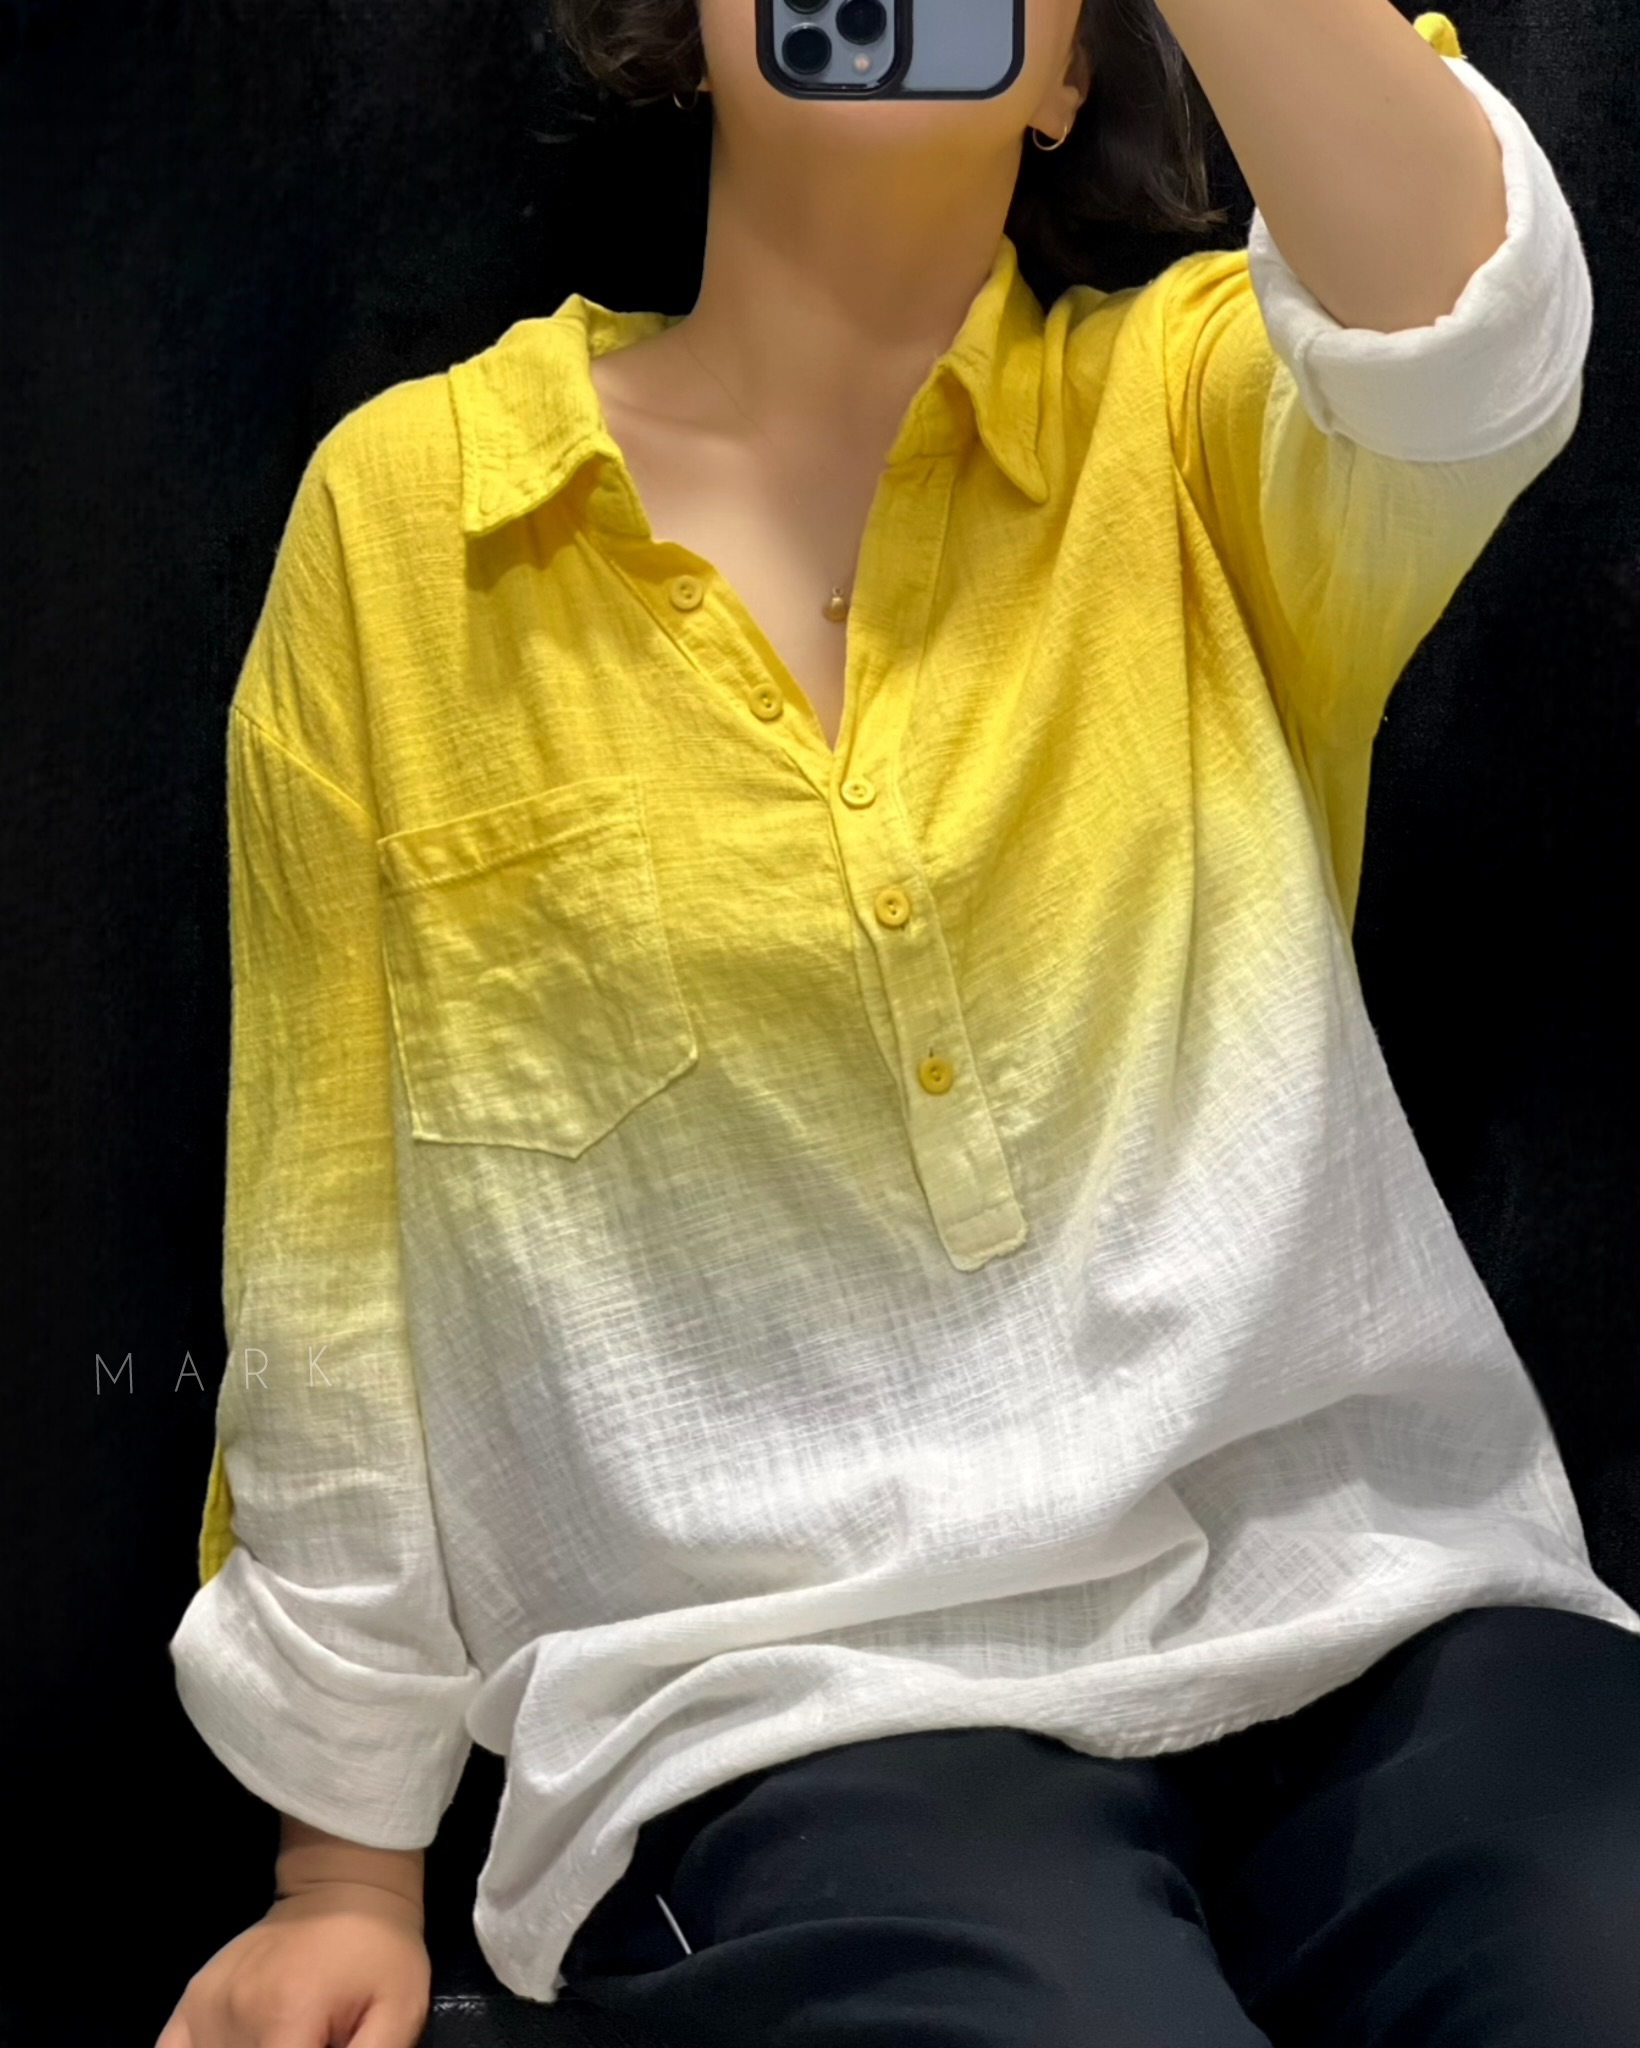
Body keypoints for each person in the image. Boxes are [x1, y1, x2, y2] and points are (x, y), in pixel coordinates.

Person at [158, 0, 1640, 2043]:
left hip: (1383, 1604)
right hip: (792, 1702)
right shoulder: (419, 515)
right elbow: (330, 1258)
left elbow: (1470, 342)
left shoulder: (1196, 418)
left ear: (1066, 80)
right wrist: (340, 1870)